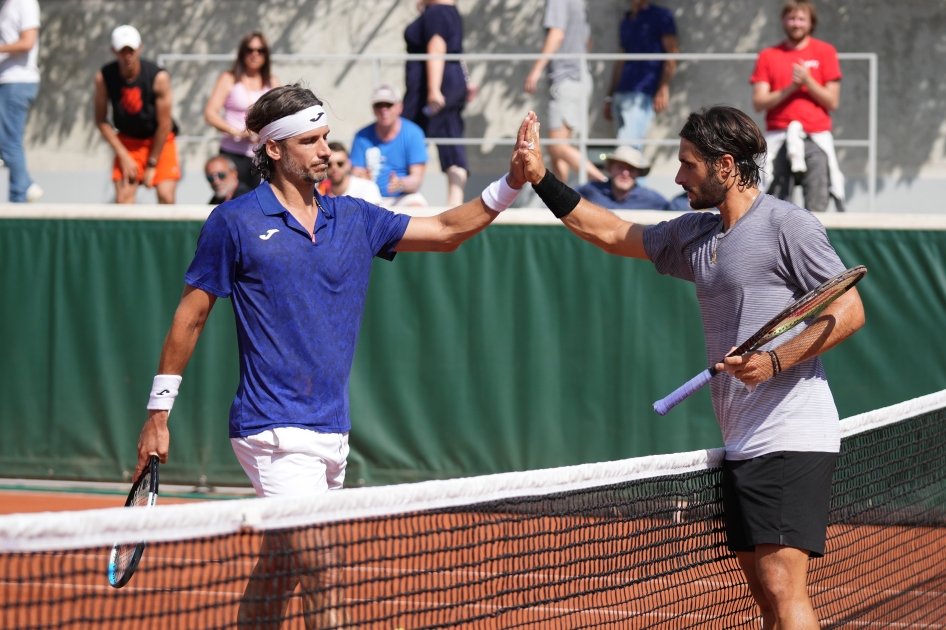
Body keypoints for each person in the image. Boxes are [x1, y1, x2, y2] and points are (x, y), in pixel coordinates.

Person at [133, 83, 538, 627]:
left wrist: (512, 181)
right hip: (270, 427)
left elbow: (445, 230)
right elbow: (191, 315)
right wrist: (158, 414)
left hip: (330, 428)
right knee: (323, 565)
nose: (325, 150)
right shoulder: (233, 223)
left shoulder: (356, 218)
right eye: (310, 140)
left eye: (327, 137)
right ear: (274, 149)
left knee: (280, 565)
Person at [516, 106, 864, 629]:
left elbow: (850, 310)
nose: (678, 177)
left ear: (725, 165)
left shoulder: (788, 224)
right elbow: (611, 232)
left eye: (688, 165)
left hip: (793, 429)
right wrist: (541, 177)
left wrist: (773, 361)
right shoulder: (694, 235)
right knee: (765, 598)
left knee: (783, 588)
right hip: (741, 438)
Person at [751, 0, 845, 212]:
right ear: (783, 20)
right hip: (778, 137)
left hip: (816, 136)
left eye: (801, 19)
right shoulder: (768, 55)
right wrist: (791, 88)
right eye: (791, 18)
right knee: (774, 203)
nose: (796, 23)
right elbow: (759, 102)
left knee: (818, 202)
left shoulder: (826, 51)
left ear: (811, 22)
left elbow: (833, 101)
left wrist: (808, 82)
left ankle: (814, 244)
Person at [94, 25, 180, 205]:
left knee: (166, 196)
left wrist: (152, 165)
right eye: (122, 50)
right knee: (123, 198)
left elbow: (165, 124)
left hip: (160, 141)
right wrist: (124, 155)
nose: (127, 56)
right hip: (128, 143)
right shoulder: (104, 76)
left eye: (131, 50)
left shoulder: (158, 77)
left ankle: (165, 234)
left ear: (139, 48)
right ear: (113, 51)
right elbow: (101, 120)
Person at [524, 0, 605, 184]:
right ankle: (560, 202)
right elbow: (588, 42)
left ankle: (604, 183)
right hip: (578, 77)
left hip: (566, 79)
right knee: (558, 150)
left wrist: (536, 71)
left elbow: (557, 34)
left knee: (556, 145)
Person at [403, 0, 472, 207]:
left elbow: (437, 47)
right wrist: (466, 81)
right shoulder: (448, 11)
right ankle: (454, 202)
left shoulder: (437, 12)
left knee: (407, 132)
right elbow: (456, 52)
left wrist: (433, 90)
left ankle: (406, 196)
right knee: (449, 135)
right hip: (449, 83)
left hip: (431, 87)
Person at [204, 31, 279, 190]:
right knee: (234, 199)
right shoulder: (229, 78)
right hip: (233, 152)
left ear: (266, 54)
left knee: (262, 200)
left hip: (262, 153)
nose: (254, 54)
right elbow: (210, 113)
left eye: (260, 50)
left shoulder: (272, 82)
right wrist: (236, 132)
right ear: (242, 53)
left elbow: (280, 115)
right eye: (249, 50)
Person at [604, 1, 678, 154]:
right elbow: (620, 61)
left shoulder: (661, 15)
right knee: (630, 152)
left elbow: (672, 53)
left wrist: (663, 87)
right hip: (621, 92)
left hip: (642, 92)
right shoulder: (626, 20)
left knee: (627, 151)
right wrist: (609, 97)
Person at [350, 84, 428, 207]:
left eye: (389, 105)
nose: (383, 109)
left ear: (400, 107)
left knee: (417, 206)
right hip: (370, 198)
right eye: (379, 105)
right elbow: (356, 173)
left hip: (403, 197)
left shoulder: (414, 133)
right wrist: (362, 178)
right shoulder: (361, 136)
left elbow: (417, 180)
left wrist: (400, 184)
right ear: (373, 108)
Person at [0, 0, 42, 203]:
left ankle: (20, 194)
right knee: (5, 139)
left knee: (10, 141)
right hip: (7, 81)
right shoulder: (6, 5)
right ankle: (25, 183)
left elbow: (28, 42)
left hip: (17, 81)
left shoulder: (24, 2)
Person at [577, 146, 669, 210]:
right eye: (620, 167)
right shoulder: (591, 190)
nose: (625, 173)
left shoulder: (652, 199)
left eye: (631, 168)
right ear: (610, 168)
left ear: (639, 173)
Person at [318, 141, 383, 204]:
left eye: (340, 163)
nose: (334, 168)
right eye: (329, 164)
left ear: (348, 164)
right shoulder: (319, 191)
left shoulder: (367, 188)